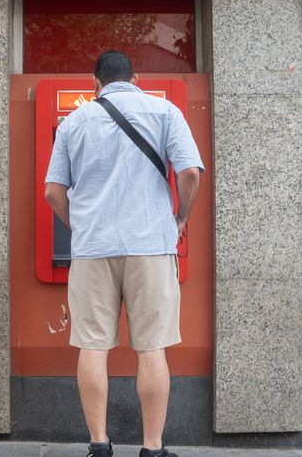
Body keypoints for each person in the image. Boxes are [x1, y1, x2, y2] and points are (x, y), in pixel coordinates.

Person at [43, 51, 203, 457]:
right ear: (136, 77)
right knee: (151, 348)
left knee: (92, 346)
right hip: (150, 243)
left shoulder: (74, 121)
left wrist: (80, 228)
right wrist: (179, 219)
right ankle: (152, 448)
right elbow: (188, 173)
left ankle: (99, 445)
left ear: (94, 82)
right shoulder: (164, 110)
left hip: (93, 249)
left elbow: (53, 192)